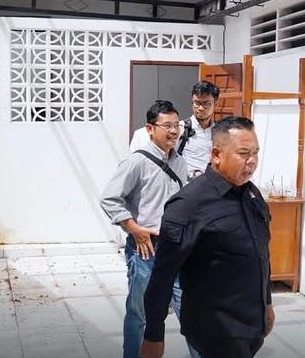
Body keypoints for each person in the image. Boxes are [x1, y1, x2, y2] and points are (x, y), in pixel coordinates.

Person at [140, 116, 274, 358]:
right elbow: (162, 275)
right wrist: (153, 336)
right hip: (217, 328)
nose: (252, 161)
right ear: (216, 154)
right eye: (243, 153)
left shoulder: (250, 194)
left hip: (252, 324)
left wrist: (267, 304)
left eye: (255, 152)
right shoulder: (188, 205)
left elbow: (261, 254)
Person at [100, 100, 197, 358]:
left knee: (190, 312)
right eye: (167, 126)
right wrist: (134, 228)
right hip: (146, 250)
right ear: (150, 129)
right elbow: (109, 198)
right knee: (139, 312)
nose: (174, 131)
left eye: (176, 125)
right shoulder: (136, 162)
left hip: (176, 249)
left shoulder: (180, 163)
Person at [130, 81, 220, 179]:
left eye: (207, 104)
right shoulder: (180, 128)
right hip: (187, 183)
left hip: (211, 183)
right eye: (197, 103)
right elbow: (143, 137)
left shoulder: (220, 132)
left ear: (216, 104)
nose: (201, 108)